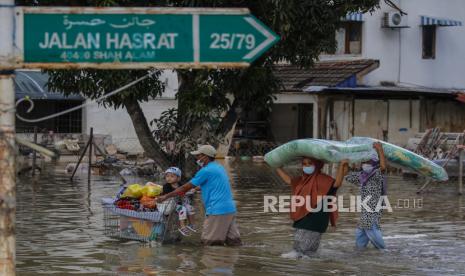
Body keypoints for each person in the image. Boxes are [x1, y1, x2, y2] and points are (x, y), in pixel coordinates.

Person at [157, 145, 241, 246]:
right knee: (234, 244)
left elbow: (184, 188)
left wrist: (165, 196)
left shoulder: (205, 171)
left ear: (205, 157)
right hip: (230, 209)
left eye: (198, 156)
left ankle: (214, 260)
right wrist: (196, 188)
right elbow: (211, 185)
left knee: (209, 244)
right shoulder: (219, 167)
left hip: (216, 210)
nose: (197, 159)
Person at [275, 157, 348, 257]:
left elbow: (337, 183)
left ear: (317, 165)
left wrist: (342, 165)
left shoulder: (324, 179)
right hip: (301, 219)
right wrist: (278, 168)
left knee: (307, 253)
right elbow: (289, 180)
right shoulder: (302, 180)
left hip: (316, 220)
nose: (306, 166)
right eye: (304, 164)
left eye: (310, 163)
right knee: (298, 250)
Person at [345, 142, 387, 250]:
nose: (365, 164)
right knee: (359, 248)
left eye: (367, 161)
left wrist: (380, 150)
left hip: (371, 216)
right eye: (363, 162)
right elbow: (347, 176)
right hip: (364, 216)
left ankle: (388, 258)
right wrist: (344, 163)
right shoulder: (361, 176)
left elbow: (383, 167)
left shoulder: (376, 175)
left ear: (373, 162)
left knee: (381, 248)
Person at [162, 167, 197, 236]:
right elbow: (170, 195)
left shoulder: (181, 185)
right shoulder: (166, 186)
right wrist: (182, 193)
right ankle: (182, 227)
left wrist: (191, 190)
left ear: (178, 178)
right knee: (182, 209)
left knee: (190, 208)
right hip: (171, 205)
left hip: (180, 203)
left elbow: (185, 190)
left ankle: (191, 224)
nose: (169, 178)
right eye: (167, 176)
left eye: (172, 176)